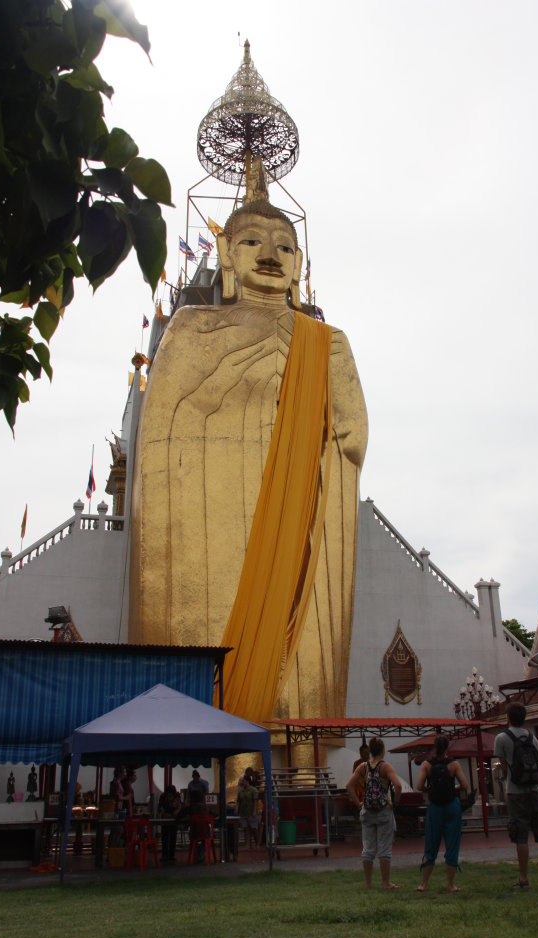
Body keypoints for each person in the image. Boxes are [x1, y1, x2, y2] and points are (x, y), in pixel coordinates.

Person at [130, 161, 368, 734]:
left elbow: (352, 437)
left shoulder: (326, 343)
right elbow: (160, 435)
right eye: (253, 243)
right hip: (217, 525)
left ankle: (306, 751)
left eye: (286, 247)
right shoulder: (190, 329)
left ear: (299, 265)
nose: (270, 255)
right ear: (227, 256)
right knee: (222, 633)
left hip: (300, 525)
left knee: (304, 639)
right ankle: (231, 756)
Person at [494, 702, 538, 889]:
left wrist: (506, 778)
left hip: (516, 791)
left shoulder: (502, 738)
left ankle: (523, 878)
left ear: (508, 718)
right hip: (536, 790)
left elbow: (503, 766)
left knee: (521, 835)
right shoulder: (532, 738)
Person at [346, 736, 402, 890]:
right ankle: (385, 883)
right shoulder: (385, 767)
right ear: (382, 751)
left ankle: (368, 883)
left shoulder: (363, 767)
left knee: (368, 848)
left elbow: (349, 785)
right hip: (384, 810)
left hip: (367, 810)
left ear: (370, 751)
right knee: (384, 849)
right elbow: (398, 785)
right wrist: (395, 802)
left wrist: (358, 804)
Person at [416, 734, 469, 893]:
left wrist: (430, 789)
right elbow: (465, 785)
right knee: (452, 843)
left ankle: (424, 884)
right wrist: (454, 788)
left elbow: (419, 786)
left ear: (434, 747)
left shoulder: (427, 764)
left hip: (435, 807)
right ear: (447, 748)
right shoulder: (453, 764)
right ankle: (451, 885)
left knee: (431, 843)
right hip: (452, 805)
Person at [158, 784, 184, 862]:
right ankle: (165, 855)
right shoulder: (163, 797)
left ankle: (170, 855)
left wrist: (171, 815)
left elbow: (178, 809)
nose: (169, 796)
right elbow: (161, 810)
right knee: (165, 837)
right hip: (168, 819)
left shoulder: (177, 797)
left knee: (172, 837)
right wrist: (171, 815)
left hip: (171, 819)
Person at [237, 772, 259, 848]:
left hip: (251, 811)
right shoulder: (241, 791)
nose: (242, 782)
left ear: (247, 781)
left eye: (243, 781)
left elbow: (255, 801)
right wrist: (237, 808)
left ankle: (257, 843)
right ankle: (247, 844)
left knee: (254, 828)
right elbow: (238, 801)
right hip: (243, 812)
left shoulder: (254, 790)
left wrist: (255, 811)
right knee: (245, 829)